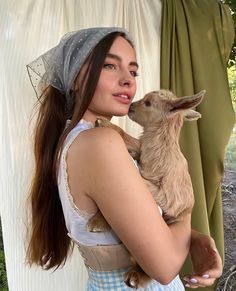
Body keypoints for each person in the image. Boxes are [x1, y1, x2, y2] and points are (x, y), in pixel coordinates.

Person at [26, 27, 222, 290]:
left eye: (133, 71)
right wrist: (185, 209)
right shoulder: (100, 143)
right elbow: (164, 268)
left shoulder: (80, 137)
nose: (128, 80)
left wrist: (193, 239)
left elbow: (132, 223)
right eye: (109, 65)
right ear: (74, 79)